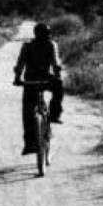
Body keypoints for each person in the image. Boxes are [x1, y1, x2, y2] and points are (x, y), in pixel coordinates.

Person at [14, 21, 64, 154]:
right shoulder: (47, 44)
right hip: (38, 78)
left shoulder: (33, 45)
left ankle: (53, 114)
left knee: (28, 111)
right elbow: (55, 63)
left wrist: (17, 78)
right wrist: (57, 75)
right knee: (28, 111)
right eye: (46, 33)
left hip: (33, 79)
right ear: (38, 34)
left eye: (48, 33)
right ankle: (31, 142)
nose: (48, 36)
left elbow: (21, 63)